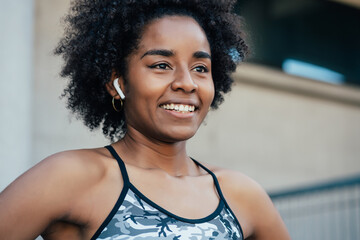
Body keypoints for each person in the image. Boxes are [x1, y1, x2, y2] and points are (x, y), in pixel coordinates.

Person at [0, 0, 290, 239]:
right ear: (118, 81)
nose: (187, 83)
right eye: (161, 65)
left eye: (201, 68)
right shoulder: (71, 177)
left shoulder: (241, 194)